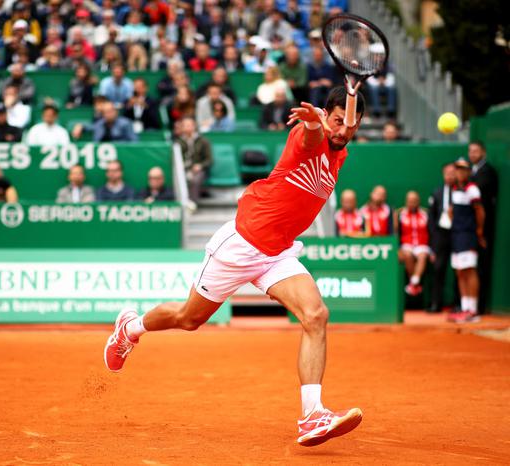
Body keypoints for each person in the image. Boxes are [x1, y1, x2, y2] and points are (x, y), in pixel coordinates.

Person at [104, 88, 367, 447]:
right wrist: (312, 125)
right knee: (188, 319)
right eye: (336, 121)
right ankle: (130, 328)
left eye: (349, 124)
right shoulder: (308, 136)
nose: (342, 129)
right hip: (242, 243)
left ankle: (311, 415)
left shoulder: (342, 154)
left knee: (316, 315)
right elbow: (313, 137)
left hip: (278, 253)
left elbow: (339, 137)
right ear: (324, 116)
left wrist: (339, 125)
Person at [448, 158, 485, 323]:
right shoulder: (455, 188)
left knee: (469, 270)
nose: (460, 172)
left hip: (468, 234)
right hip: (456, 234)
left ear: (468, 172)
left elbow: (479, 211)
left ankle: (473, 310)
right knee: (459, 271)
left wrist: (479, 231)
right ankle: (464, 308)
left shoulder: (473, 189)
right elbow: (452, 211)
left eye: (463, 169)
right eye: (457, 169)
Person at [468, 141, 498, 315]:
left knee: (482, 267)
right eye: (470, 151)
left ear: (483, 152)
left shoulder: (487, 172)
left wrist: (480, 230)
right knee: (470, 267)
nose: (472, 154)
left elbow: (477, 197)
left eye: (476, 151)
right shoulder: (474, 171)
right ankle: (470, 305)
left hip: (483, 229)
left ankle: (480, 306)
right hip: (472, 228)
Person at [428, 163, 457, 313]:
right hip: (440, 235)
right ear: (443, 175)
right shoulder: (437, 192)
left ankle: (458, 305)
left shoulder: (461, 191)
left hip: (457, 234)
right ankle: (435, 303)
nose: (450, 176)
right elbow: (431, 217)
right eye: (447, 173)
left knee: (459, 268)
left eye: (453, 173)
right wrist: (433, 240)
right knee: (438, 269)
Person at [397, 191, 430, 296]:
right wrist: (397, 249)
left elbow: (432, 232)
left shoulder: (425, 214)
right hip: (407, 245)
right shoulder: (400, 214)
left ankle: (413, 282)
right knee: (407, 254)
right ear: (406, 202)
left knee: (423, 256)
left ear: (418, 201)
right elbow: (395, 232)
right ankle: (415, 283)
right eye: (410, 201)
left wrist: (433, 250)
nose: (412, 203)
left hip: (422, 245)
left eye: (414, 201)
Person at [175, 117, 212, 203]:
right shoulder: (178, 142)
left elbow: (209, 160)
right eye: (184, 125)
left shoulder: (203, 141)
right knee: (178, 178)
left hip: (198, 170)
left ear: (194, 126)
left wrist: (200, 166)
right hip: (183, 169)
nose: (187, 127)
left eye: (189, 125)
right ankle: (180, 203)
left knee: (195, 180)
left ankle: (192, 203)